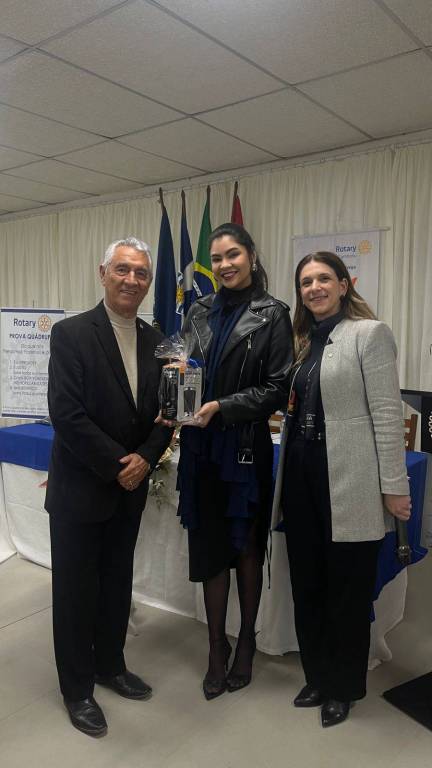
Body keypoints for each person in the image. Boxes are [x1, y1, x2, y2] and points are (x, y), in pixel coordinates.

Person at [272, 251, 411, 728]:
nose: (314, 288)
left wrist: (394, 486)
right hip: (301, 475)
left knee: (347, 591)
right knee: (307, 583)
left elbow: (388, 414)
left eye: (323, 279)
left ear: (344, 284)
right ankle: (316, 676)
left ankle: (344, 686)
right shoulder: (301, 342)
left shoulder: (368, 334)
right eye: (306, 281)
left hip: (350, 479)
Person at [45, 237, 173, 737]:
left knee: (117, 583)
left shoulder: (158, 341)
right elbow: (67, 414)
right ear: (103, 273)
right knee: (75, 593)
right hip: (82, 488)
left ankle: (110, 666)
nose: (131, 280)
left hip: (129, 490)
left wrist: (146, 458)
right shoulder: (71, 334)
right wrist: (121, 465)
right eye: (122, 269)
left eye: (141, 273)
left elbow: (166, 414)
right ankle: (77, 689)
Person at [161, 222, 293, 700]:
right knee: (210, 547)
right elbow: (184, 368)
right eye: (216, 258)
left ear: (251, 256)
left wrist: (223, 406)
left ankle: (248, 642)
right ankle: (216, 646)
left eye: (233, 254)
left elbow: (278, 388)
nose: (224, 265)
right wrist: (175, 385)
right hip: (200, 449)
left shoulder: (272, 313)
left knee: (246, 550)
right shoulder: (197, 310)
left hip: (243, 448)